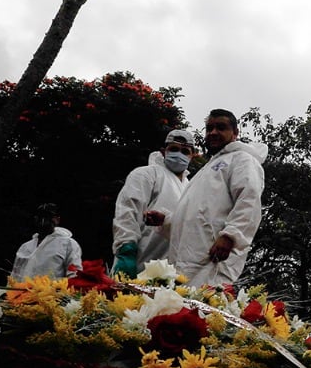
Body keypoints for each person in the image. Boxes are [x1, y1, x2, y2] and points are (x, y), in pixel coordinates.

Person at [147, 109, 267, 287]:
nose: (213, 133)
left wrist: (231, 236)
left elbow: (248, 200)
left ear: (235, 133)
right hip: (186, 264)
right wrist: (165, 220)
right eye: (209, 128)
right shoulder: (208, 169)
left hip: (212, 261)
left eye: (221, 127)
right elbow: (196, 218)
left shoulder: (242, 159)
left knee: (205, 311)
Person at [110, 128, 196, 277]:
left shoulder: (190, 187)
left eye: (185, 151)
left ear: (192, 156)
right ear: (163, 152)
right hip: (138, 262)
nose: (179, 155)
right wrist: (126, 249)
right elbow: (128, 211)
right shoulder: (146, 174)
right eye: (174, 149)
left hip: (171, 274)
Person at [11, 203, 83, 280]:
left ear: (57, 219)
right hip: (23, 290)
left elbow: (74, 274)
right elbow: (15, 275)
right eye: (40, 217)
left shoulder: (68, 244)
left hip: (53, 291)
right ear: (35, 219)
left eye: (48, 217)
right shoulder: (25, 247)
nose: (43, 221)